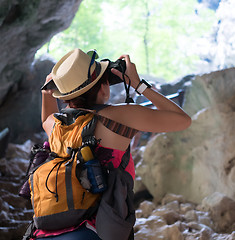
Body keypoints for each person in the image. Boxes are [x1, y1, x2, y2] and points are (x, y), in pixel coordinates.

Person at [37, 48, 191, 239]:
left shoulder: (56, 124)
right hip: (98, 231)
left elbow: (46, 118)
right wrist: (137, 84)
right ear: (103, 87)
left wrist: (46, 93)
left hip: (48, 231)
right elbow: (182, 120)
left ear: (64, 95)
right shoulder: (120, 117)